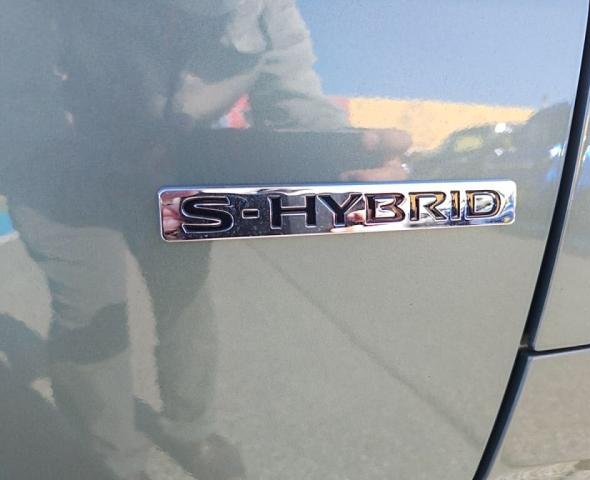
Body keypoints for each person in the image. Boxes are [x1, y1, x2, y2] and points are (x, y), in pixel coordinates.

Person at [1, 1, 410, 479]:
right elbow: (18, 82)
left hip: (174, 167)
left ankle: (189, 430)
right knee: (89, 311)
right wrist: (97, 153)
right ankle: (112, 462)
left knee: (187, 300)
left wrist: (342, 153)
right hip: (63, 164)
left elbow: (293, 101)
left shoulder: (267, 10)